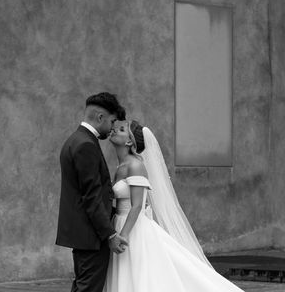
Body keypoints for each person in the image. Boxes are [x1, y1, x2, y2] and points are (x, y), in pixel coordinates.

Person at [104, 119, 244, 292]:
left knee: (142, 274)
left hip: (132, 228)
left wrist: (123, 236)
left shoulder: (136, 166)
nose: (114, 129)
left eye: (122, 129)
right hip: (118, 222)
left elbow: (137, 205)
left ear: (129, 141)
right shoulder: (121, 166)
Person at [56, 92, 129, 292]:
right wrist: (110, 234)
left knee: (83, 286)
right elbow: (92, 196)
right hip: (91, 236)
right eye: (112, 121)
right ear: (100, 118)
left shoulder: (76, 140)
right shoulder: (86, 145)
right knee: (89, 288)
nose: (113, 127)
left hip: (84, 234)